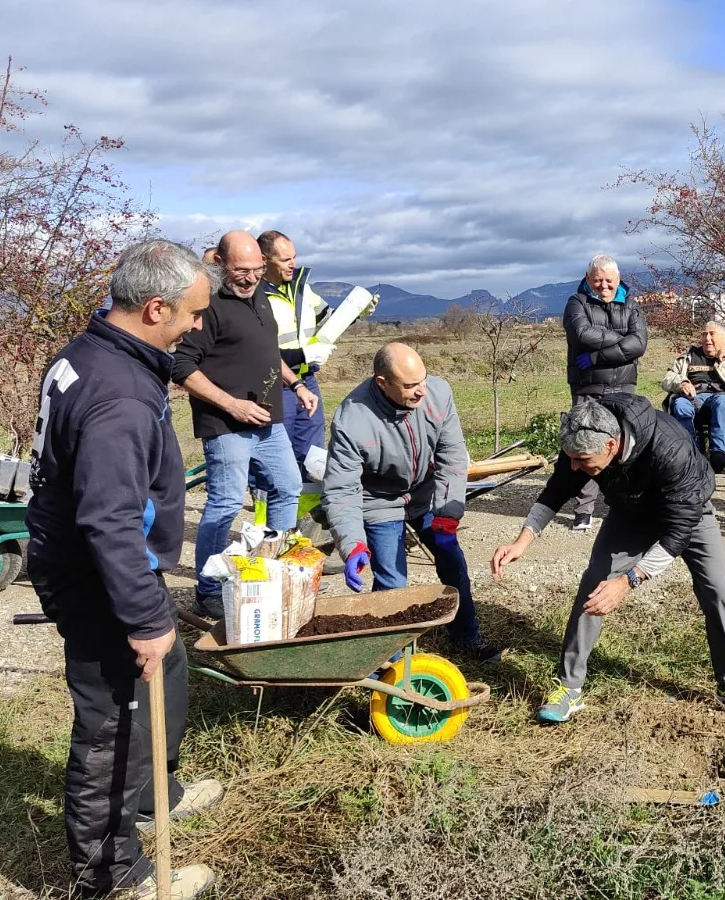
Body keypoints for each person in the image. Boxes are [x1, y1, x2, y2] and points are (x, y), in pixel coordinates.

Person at [27, 240, 222, 899]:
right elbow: (107, 518)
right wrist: (140, 615)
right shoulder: (119, 395)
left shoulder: (97, 352)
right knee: (112, 723)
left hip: (119, 564)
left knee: (165, 673)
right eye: (193, 313)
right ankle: (111, 877)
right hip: (97, 576)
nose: (199, 324)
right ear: (155, 307)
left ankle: (152, 795)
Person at [491, 395, 725, 723]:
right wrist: (523, 540)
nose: (576, 466)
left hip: (688, 515)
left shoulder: (671, 450)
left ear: (611, 445)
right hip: (630, 513)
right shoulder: (582, 437)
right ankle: (569, 687)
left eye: (583, 460)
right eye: (572, 458)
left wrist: (629, 579)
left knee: (717, 591)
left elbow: (677, 535)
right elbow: (557, 488)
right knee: (595, 580)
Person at [321, 343, 498, 659]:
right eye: (410, 386)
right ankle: (389, 659)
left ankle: (467, 636)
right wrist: (353, 546)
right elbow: (341, 489)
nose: (421, 391)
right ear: (382, 383)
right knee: (391, 582)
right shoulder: (353, 419)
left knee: (453, 562)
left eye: (423, 380)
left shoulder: (438, 394)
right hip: (379, 501)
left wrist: (447, 511)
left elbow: (452, 455)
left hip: (426, 493)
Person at [173, 231, 316, 618]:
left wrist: (297, 384)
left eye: (256, 270)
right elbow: (182, 367)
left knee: (288, 487)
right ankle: (209, 588)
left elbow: (268, 353)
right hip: (227, 427)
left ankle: (276, 569)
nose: (251, 277)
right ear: (219, 262)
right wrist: (232, 405)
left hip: (270, 423)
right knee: (225, 505)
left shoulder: (260, 297)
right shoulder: (207, 305)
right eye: (241, 270)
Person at [258, 230, 377, 480]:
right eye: (285, 259)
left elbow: (328, 320)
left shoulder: (303, 291)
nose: (293, 264)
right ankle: (270, 515)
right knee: (277, 456)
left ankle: (307, 517)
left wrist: (358, 311)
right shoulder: (254, 296)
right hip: (273, 385)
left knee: (312, 455)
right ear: (264, 260)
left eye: (294, 257)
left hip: (307, 381)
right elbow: (258, 348)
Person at [562, 254, 648, 531]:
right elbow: (582, 334)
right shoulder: (577, 303)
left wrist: (598, 357)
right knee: (586, 444)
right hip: (588, 386)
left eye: (609, 281)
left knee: (625, 447)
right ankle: (583, 510)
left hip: (624, 386)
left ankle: (623, 506)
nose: (603, 286)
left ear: (618, 280)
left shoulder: (631, 305)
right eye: (597, 280)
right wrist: (624, 342)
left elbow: (640, 344)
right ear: (588, 279)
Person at [660, 320, 725, 473]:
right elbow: (667, 378)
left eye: (712, 334)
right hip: (691, 397)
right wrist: (681, 382)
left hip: (720, 397)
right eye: (704, 334)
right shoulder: (687, 357)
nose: (707, 338)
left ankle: (718, 453)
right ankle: (691, 452)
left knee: (722, 402)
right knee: (680, 405)